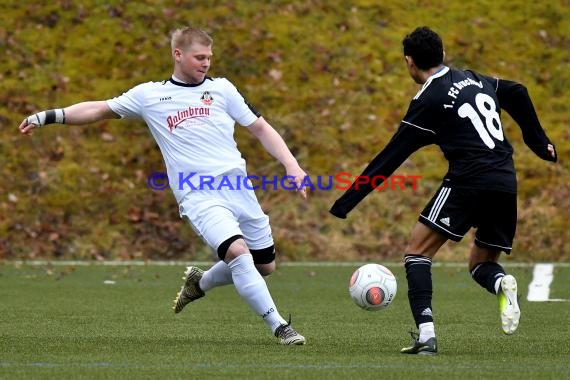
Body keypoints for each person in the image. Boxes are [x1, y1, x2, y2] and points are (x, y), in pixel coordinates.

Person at [19, 26, 308, 345]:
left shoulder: (223, 89)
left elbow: (261, 128)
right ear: (178, 55)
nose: (206, 63)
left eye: (209, 57)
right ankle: (281, 327)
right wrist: (47, 116)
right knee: (238, 253)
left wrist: (292, 165)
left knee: (264, 265)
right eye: (199, 57)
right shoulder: (150, 95)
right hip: (197, 193)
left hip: (239, 188)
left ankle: (200, 283)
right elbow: (99, 109)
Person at [329, 26, 557, 355]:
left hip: (468, 180)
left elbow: (389, 158)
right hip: (505, 180)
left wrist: (345, 202)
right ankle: (500, 284)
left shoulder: (428, 100)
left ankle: (426, 336)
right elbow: (517, 91)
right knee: (481, 264)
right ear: (443, 53)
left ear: (409, 62)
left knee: (417, 253)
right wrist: (538, 141)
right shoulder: (474, 78)